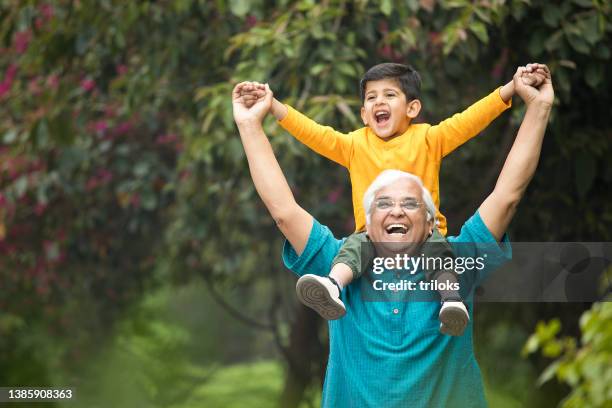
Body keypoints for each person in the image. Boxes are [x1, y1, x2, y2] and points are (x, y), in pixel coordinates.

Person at [232, 65, 553, 407]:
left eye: (410, 203)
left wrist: (537, 107)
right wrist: (251, 125)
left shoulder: (459, 262)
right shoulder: (339, 261)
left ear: (431, 222)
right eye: (383, 202)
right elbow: (283, 210)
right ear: (368, 223)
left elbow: (507, 196)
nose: (397, 210)